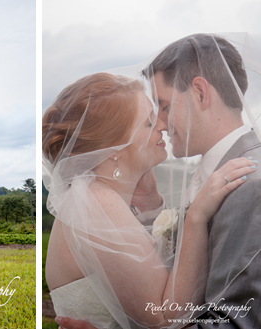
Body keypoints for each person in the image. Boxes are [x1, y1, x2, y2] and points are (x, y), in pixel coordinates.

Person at [51, 33, 261, 328]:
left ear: (201, 94)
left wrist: (152, 208)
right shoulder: (99, 202)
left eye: (162, 106)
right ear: (114, 147)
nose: (161, 125)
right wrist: (193, 219)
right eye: (150, 120)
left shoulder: (251, 184)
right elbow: (164, 314)